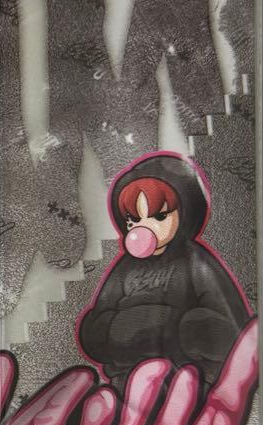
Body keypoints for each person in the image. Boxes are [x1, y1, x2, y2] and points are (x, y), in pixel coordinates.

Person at [76, 152, 249, 394]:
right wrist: (117, 331)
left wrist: (178, 328)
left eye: (158, 216)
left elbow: (230, 329)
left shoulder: (195, 262)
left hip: (185, 384)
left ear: (184, 212)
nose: (144, 227)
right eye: (133, 219)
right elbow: (97, 326)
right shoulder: (125, 268)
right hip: (127, 382)